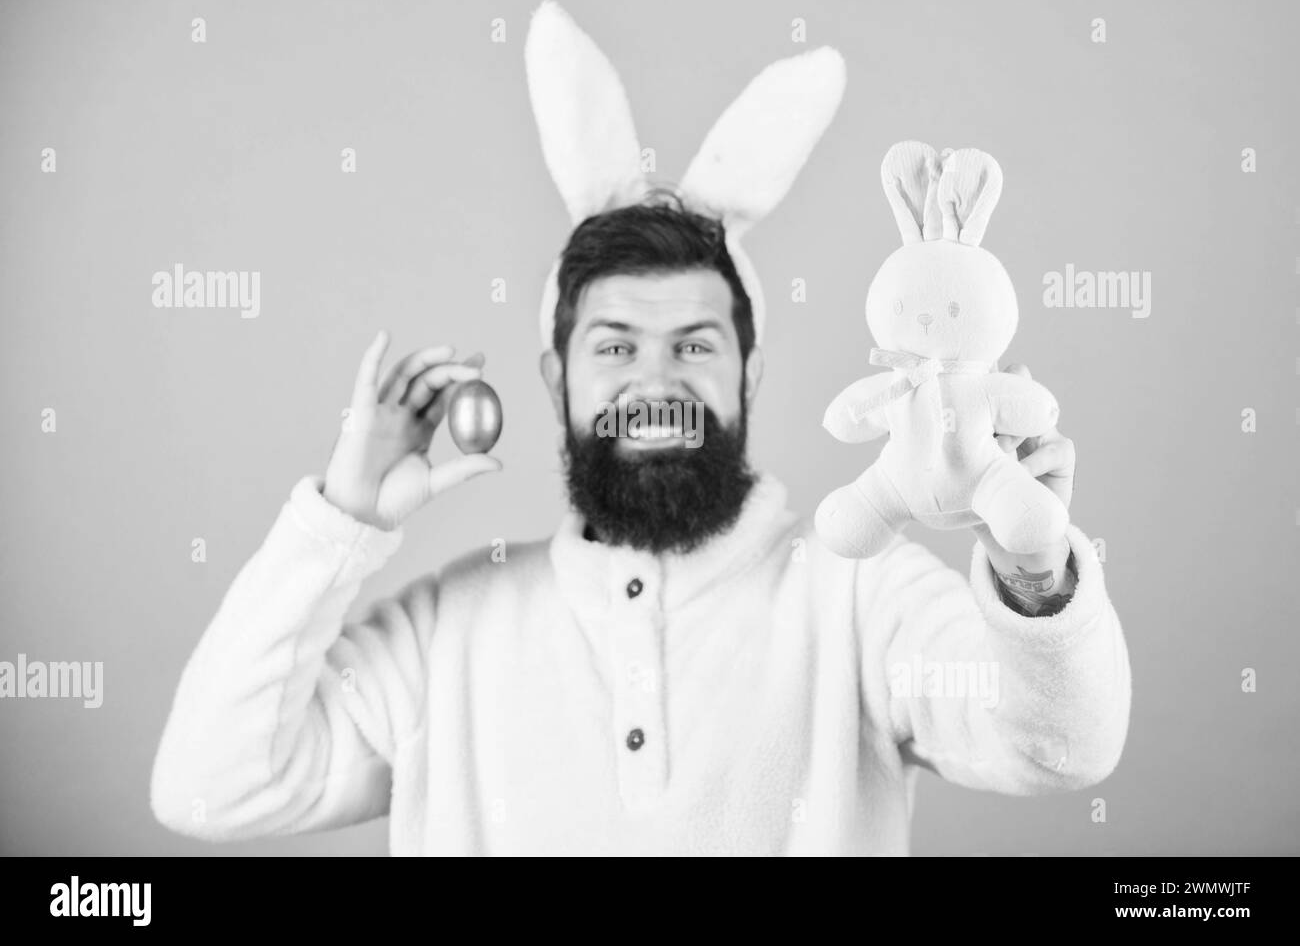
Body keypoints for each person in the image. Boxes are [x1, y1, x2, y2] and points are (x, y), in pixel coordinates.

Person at [149, 192, 1131, 855]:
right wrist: (337, 526)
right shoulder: (443, 632)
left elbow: (1061, 748)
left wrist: (1034, 573)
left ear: (747, 375)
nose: (653, 381)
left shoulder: (859, 592)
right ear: (557, 379)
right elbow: (211, 786)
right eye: (613, 346)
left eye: (694, 346)